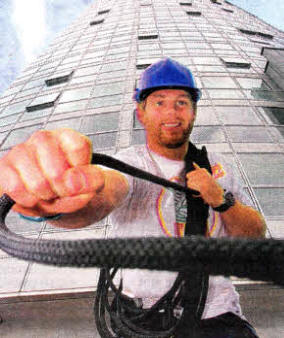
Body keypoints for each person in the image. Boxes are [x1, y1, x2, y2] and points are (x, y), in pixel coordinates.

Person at [0, 58, 265, 337]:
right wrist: (57, 201)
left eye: (182, 102)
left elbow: (254, 236)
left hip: (217, 316)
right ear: (141, 113)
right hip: (141, 318)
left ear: (194, 111)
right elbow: (106, 192)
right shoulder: (130, 163)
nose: (171, 112)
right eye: (159, 102)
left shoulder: (216, 164)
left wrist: (220, 198)